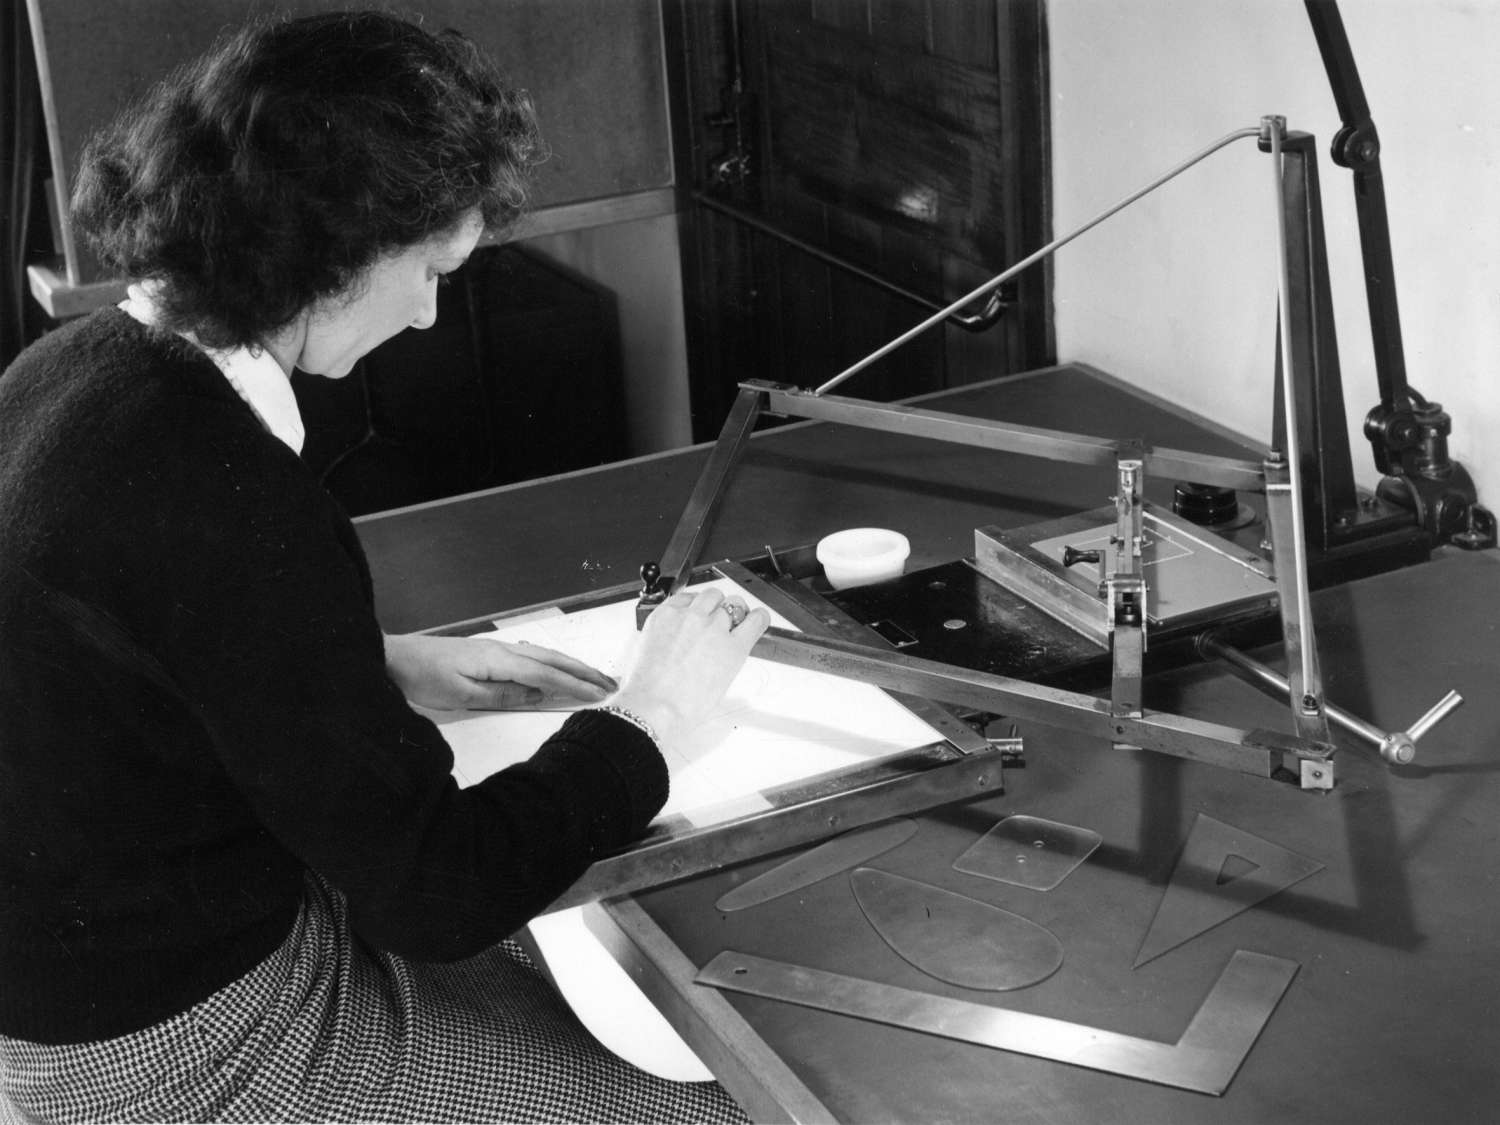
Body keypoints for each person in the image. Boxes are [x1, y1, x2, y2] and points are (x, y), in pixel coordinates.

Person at [0, 11, 767, 1123]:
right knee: (716, 1112)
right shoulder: (232, 491)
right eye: (426, 270)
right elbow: (438, 896)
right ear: (326, 249)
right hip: (171, 1044)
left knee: (554, 950)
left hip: (83, 965)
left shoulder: (67, 369)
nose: (425, 314)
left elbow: (113, 657)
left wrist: (374, 668)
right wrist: (645, 725)